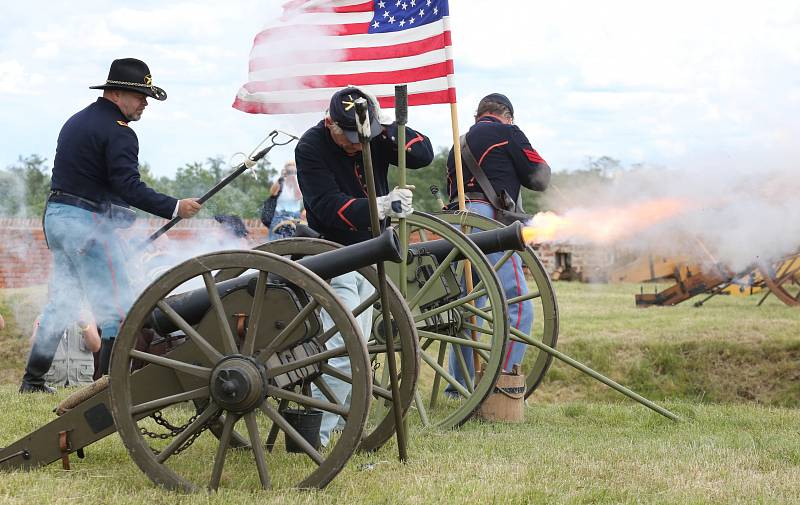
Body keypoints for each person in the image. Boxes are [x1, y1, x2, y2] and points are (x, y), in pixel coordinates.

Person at [19, 58, 203, 394]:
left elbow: (87, 180)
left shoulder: (76, 122)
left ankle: (32, 381)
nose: (145, 102)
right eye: (139, 95)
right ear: (117, 93)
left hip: (58, 219)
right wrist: (174, 206)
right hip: (86, 226)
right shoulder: (120, 132)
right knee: (115, 308)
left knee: (61, 302)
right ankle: (106, 389)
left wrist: (118, 215)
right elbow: (128, 186)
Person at [295, 86, 434, 445]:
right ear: (330, 123)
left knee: (360, 348)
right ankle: (317, 438)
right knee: (344, 350)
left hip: (372, 258)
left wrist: (386, 128)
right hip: (333, 254)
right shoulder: (310, 147)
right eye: (350, 137)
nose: (358, 145)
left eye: (363, 136)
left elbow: (423, 154)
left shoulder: (374, 135)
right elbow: (328, 207)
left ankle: (343, 423)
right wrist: (381, 206)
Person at [445, 93, 551, 392]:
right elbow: (539, 177)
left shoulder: (460, 141)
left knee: (467, 309)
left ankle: (459, 389)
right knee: (516, 303)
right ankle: (499, 385)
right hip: (490, 224)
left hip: (457, 225)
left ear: (479, 115)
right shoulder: (508, 132)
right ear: (507, 115)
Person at [30, 311, 101, 388]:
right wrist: (43, 329)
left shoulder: (87, 317)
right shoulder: (44, 317)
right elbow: (34, 348)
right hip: (51, 385)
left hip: (82, 385)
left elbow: (95, 347)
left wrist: (85, 327)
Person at [267, 160, 304, 239]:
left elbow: (298, 197)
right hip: (279, 216)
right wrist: (281, 177)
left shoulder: (299, 182)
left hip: (295, 217)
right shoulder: (280, 182)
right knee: (274, 242)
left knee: (294, 243)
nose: (292, 174)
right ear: (285, 172)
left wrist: (294, 181)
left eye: (294, 172)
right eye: (289, 171)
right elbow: (272, 193)